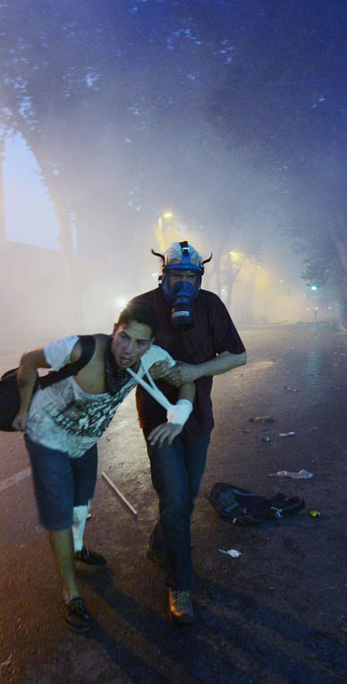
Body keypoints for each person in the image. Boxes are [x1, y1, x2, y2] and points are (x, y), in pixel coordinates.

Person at [13, 302, 195, 632]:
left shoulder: (152, 358)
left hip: (85, 439)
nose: (129, 350)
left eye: (140, 343)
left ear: (151, 344)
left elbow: (187, 379)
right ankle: (71, 593)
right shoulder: (79, 349)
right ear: (115, 330)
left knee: (82, 499)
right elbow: (28, 360)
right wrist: (24, 409)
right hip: (47, 433)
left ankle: (77, 548)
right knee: (60, 512)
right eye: (124, 337)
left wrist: (178, 418)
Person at [131, 241, 247, 624]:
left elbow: (239, 355)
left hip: (197, 417)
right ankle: (179, 585)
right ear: (162, 275)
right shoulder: (141, 307)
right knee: (175, 496)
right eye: (176, 275)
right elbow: (121, 353)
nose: (183, 284)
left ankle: (160, 540)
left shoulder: (210, 306)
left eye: (190, 277)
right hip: (158, 421)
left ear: (200, 278)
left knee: (188, 496)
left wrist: (194, 372)